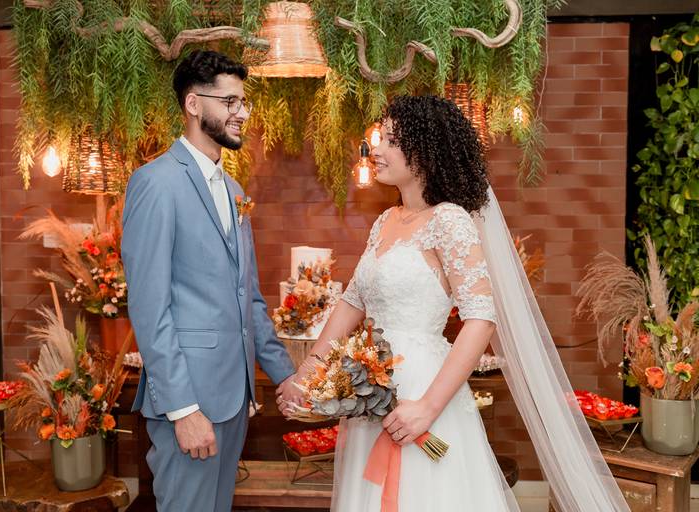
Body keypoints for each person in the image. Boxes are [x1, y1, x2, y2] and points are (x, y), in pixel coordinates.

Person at [284, 95, 629, 511]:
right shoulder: (385, 220)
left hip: (423, 388)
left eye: (391, 141)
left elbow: (481, 319)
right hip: (370, 387)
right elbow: (351, 301)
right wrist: (307, 374)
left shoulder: (449, 220)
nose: (376, 150)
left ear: (424, 153)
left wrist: (427, 409)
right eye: (379, 139)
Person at [122, 49, 300, 512]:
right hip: (190, 402)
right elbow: (149, 308)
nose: (242, 113)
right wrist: (183, 409)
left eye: (244, 102)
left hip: (233, 399)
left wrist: (285, 375)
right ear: (193, 104)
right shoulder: (156, 183)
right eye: (229, 102)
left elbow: (249, 298)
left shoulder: (234, 191)